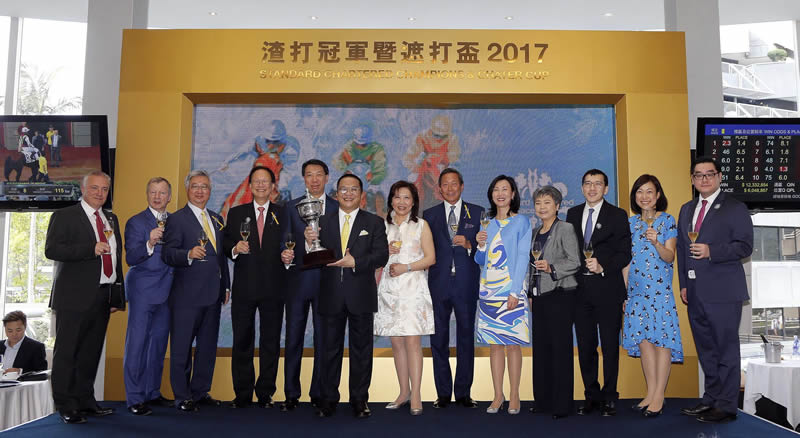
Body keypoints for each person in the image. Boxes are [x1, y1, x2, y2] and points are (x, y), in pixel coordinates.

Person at [304, 174, 389, 418]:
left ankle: (359, 400)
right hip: (330, 293)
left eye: (353, 189)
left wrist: (356, 262)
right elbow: (314, 258)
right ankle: (328, 399)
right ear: (336, 193)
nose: (348, 193)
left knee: (362, 350)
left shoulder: (374, 222)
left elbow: (381, 256)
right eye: (343, 189)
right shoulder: (322, 221)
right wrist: (309, 243)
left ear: (361, 194)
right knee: (329, 349)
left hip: (361, 294)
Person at [678, 156, 753, 423]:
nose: (704, 179)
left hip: (723, 292)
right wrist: (684, 284)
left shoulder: (735, 207)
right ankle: (710, 398)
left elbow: (745, 246)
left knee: (725, 350)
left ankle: (727, 405)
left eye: (710, 174)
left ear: (719, 177)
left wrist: (712, 251)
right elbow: (683, 250)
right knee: (706, 349)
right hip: (695, 291)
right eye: (699, 175)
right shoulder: (687, 209)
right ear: (692, 179)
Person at [45, 170, 123, 424]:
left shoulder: (111, 218)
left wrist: (116, 295)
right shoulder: (65, 216)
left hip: (102, 296)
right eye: (94, 188)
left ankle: (85, 401)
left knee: (90, 353)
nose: (100, 193)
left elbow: (116, 258)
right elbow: (52, 249)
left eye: (104, 189)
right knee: (67, 353)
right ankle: (65, 405)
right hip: (73, 297)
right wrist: (90, 249)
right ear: (83, 189)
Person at [162, 170, 230, 412]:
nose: (200, 191)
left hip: (213, 294)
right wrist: (188, 254)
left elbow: (221, 256)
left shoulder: (217, 218)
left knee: (207, 347)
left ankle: (200, 392)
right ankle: (182, 396)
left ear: (210, 191)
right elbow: (167, 253)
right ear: (187, 190)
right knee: (181, 348)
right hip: (186, 296)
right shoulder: (176, 219)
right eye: (196, 186)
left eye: (205, 187)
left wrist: (226, 285)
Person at [566, 169, 632, 417]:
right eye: (587, 183)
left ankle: (610, 396)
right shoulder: (573, 214)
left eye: (597, 184)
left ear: (606, 188)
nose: (592, 188)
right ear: (582, 187)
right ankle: (591, 396)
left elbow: (625, 252)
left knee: (610, 346)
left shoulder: (617, 215)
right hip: (580, 291)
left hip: (608, 289)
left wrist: (603, 266)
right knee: (585, 346)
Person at [223, 166, 287, 409]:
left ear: (273, 186)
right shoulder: (236, 213)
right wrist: (234, 248)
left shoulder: (283, 213)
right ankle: (242, 393)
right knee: (242, 340)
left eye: (266, 182)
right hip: (245, 287)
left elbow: (289, 243)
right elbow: (226, 242)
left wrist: (288, 256)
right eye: (256, 181)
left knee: (270, 342)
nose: (261, 185)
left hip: (274, 287)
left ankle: (265, 393)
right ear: (250, 186)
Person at [621, 174, 683, 418]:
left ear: (658, 196)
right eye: (639, 192)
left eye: (649, 191)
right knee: (644, 342)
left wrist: (657, 242)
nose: (644, 196)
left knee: (662, 342)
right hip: (636, 293)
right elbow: (626, 262)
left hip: (659, 293)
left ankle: (659, 396)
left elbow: (670, 257)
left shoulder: (667, 220)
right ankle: (650, 393)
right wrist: (625, 294)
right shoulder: (629, 223)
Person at [280, 159, 338, 411]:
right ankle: (291, 394)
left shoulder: (338, 206)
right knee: (293, 338)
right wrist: (288, 251)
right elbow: (284, 240)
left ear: (327, 177)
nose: (314, 179)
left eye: (318, 174)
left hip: (328, 282)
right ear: (303, 178)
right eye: (309, 175)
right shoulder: (291, 207)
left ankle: (319, 392)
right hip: (298, 282)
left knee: (324, 340)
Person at [422, 168, 482, 409]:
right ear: (439, 189)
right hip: (438, 284)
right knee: (438, 339)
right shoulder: (429, 215)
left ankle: (464, 392)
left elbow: (487, 249)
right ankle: (443, 393)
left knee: (466, 337)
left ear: (462, 186)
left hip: (466, 284)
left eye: (454, 183)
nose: (449, 188)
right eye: (445, 184)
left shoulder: (477, 212)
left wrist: (469, 244)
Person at [374, 181, 436, 415]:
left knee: (412, 342)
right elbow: (374, 258)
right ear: (391, 200)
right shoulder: (382, 225)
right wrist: (384, 252)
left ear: (413, 202)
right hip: (389, 289)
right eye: (397, 197)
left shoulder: (421, 225)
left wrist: (406, 267)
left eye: (406, 198)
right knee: (396, 342)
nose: (401, 202)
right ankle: (403, 392)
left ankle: (417, 393)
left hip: (412, 289)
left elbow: (430, 258)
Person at [475, 175, 531, 415]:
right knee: (495, 345)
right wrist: (479, 245)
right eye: (496, 189)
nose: (500, 193)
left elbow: (523, 257)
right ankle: (498, 395)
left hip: (511, 290)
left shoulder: (521, 222)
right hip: (489, 290)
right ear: (491, 194)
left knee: (512, 344)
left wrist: (515, 292)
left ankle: (515, 394)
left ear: (513, 194)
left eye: (505, 189)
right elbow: (480, 260)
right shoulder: (487, 223)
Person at [527, 186, 580, 419]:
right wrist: (530, 293)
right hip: (539, 297)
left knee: (560, 350)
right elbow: (531, 266)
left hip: (560, 295)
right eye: (538, 203)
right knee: (541, 350)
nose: (542, 207)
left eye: (547, 202)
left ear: (557, 206)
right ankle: (543, 401)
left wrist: (552, 268)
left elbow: (575, 261)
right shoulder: (535, 232)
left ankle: (562, 405)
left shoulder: (565, 228)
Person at [123, 177, 174, 416]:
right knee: (137, 345)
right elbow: (131, 257)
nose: (157, 197)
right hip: (142, 290)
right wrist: (149, 243)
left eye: (162, 193)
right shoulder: (136, 222)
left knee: (158, 345)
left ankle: (152, 392)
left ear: (169, 197)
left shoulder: (175, 221)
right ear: (147, 195)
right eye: (153, 192)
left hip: (168, 290)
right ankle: (134, 398)